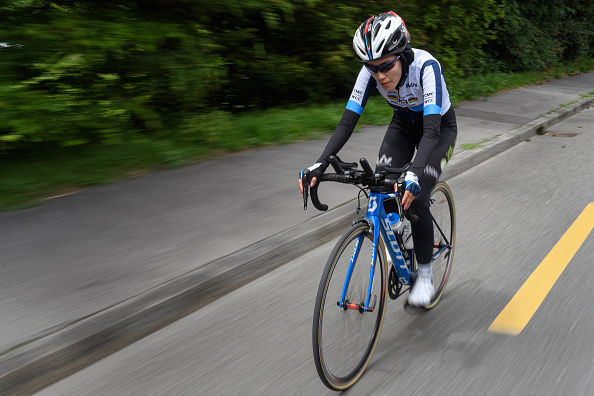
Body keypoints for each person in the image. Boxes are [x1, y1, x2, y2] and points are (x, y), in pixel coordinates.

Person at [298, 11, 457, 307]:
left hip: (438, 130)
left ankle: (424, 275)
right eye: (372, 68)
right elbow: (347, 122)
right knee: (381, 184)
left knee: (417, 195)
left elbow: (432, 130)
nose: (380, 76)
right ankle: (400, 232)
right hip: (403, 126)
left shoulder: (426, 67)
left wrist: (414, 173)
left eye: (386, 66)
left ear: (402, 53)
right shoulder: (370, 72)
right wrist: (320, 162)